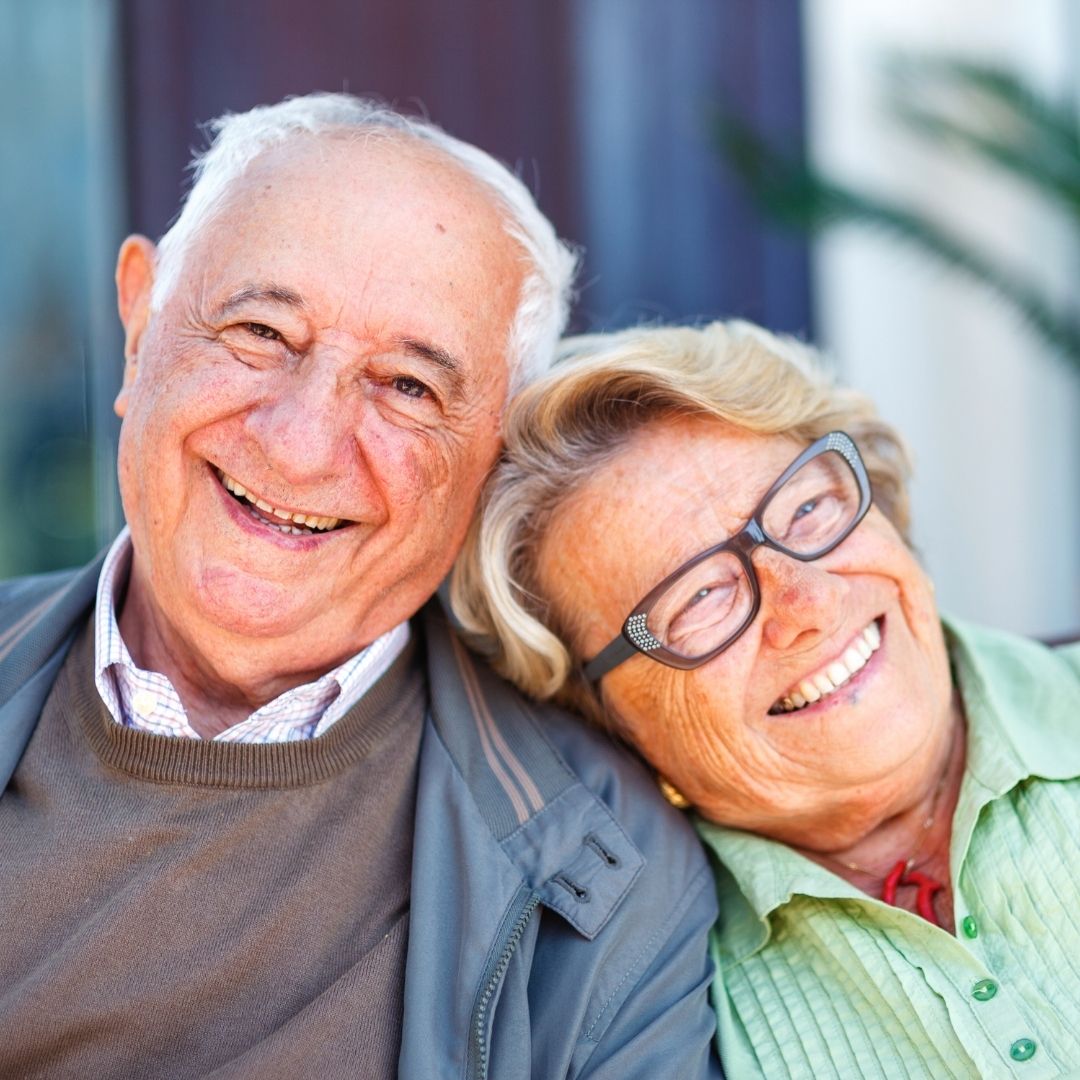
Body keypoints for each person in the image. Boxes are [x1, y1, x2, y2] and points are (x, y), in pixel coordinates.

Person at [0, 96, 722, 1079]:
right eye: (260, 331)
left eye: (409, 388)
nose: (299, 443)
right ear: (139, 328)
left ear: (492, 461)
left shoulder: (608, 882)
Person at [452, 319, 1080, 1079]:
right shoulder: (647, 1006)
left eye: (807, 510)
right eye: (701, 596)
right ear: (607, 716)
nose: (806, 600)